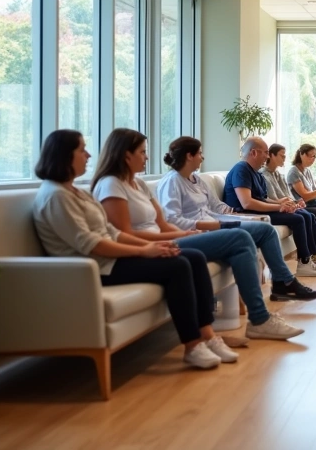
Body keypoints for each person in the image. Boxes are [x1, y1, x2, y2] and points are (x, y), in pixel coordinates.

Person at [31, 130, 231, 369]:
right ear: (64, 155)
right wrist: (144, 251)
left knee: (194, 257)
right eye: (81, 149)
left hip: (110, 259)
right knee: (178, 265)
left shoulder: (75, 192)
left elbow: (112, 232)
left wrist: (152, 245)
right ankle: (192, 345)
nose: (88, 154)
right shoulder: (55, 197)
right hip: (94, 268)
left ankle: (208, 336)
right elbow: (91, 244)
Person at [91, 128, 304, 341]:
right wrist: (186, 233)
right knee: (241, 238)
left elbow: (165, 224)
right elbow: (126, 232)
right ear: (125, 154)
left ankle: (253, 317)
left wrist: (192, 231)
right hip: (159, 243)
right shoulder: (116, 185)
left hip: (175, 235)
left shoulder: (139, 184)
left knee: (248, 236)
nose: (147, 156)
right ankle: (259, 318)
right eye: (142, 152)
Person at [155, 136, 316, 302]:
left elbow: (217, 206)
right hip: (200, 231)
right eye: (199, 153)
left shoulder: (197, 180)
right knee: (264, 230)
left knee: (266, 229)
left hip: (215, 224)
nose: (202, 157)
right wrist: (214, 224)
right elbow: (172, 219)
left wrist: (238, 215)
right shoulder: (172, 182)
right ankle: (285, 282)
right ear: (189, 156)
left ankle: (282, 282)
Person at [223, 137, 316, 277]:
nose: (267, 156)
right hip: (246, 214)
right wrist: (279, 208)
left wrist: (286, 204)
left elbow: (265, 199)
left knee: (304, 214)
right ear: (253, 153)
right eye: (265, 152)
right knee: (298, 219)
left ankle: (313, 258)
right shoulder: (241, 169)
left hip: (257, 210)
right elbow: (247, 203)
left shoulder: (256, 173)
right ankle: (305, 262)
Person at [261, 143, 316, 270]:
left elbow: (288, 195)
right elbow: (274, 199)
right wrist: (291, 202)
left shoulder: (279, 174)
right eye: (282, 156)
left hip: (288, 205)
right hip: (278, 208)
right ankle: (311, 257)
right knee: (305, 216)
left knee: (309, 215)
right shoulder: (264, 175)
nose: (284, 159)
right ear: (271, 156)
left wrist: (296, 202)